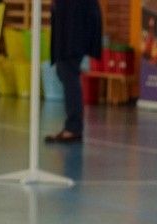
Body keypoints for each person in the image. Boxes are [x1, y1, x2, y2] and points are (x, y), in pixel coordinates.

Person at [46, 0, 101, 144]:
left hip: (75, 20)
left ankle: (73, 128)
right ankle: (73, 127)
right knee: (64, 70)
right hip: (71, 19)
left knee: (67, 69)